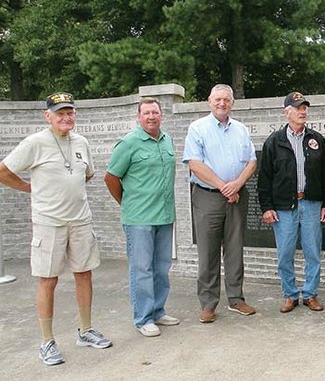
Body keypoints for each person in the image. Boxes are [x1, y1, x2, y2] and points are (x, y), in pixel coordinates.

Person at [0, 92, 112, 366]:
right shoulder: (35, 143)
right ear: (47, 116)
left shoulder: (81, 142)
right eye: (60, 113)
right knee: (47, 280)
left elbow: (88, 174)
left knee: (84, 274)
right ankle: (47, 342)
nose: (66, 118)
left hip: (80, 220)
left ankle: (85, 331)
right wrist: (29, 188)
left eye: (70, 112)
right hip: (49, 223)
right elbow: (3, 171)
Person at [104, 97, 180, 337]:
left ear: (161, 115)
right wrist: (127, 204)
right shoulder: (128, 143)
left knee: (161, 267)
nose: (151, 116)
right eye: (146, 113)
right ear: (139, 116)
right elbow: (111, 178)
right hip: (139, 218)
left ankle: (158, 310)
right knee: (142, 270)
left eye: (155, 112)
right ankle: (143, 317)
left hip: (165, 216)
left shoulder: (167, 140)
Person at [183, 84, 258, 323]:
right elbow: (194, 163)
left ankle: (236, 299)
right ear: (209, 101)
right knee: (208, 252)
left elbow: (252, 162)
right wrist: (223, 186)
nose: (222, 103)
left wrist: (236, 185)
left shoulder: (241, 129)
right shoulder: (198, 128)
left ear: (232, 103)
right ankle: (208, 304)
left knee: (235, 250)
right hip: (208, 197)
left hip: (237, 195)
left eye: (227, 99)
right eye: (218, 99)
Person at [257, 92, 325, 313]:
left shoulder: (317, 139)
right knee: (285, 253)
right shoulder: (274, 141)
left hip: (311, 204)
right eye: (298, 108)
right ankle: (290, 294)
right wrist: (267, 207)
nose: (303, 112)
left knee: (313, 252)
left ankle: (310, 294)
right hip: (284, 208)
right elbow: (264, 178)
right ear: (286, 112)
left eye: (304, 108)